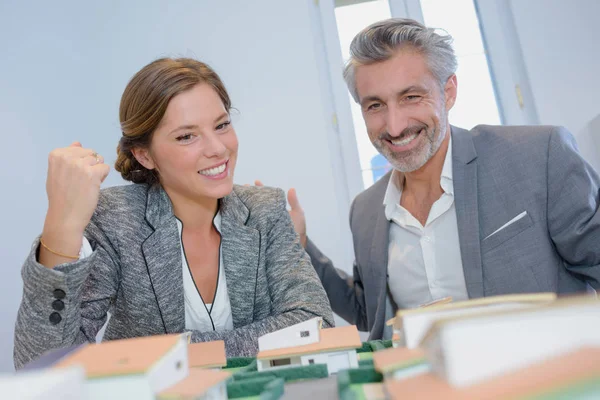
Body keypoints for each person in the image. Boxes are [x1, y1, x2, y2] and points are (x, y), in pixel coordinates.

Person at [281, 18, 600, 340]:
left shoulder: (537, 156)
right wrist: (301, 247)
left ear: (448, 92)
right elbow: (369, 311)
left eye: (411, 97)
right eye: (375, 105)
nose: (394, 126)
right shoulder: (364, 210)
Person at [14, 58, 334, 369]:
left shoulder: (265, 209)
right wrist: (61, 227)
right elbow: (43, 365)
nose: (218, 148)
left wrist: (160, 354)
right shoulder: (115, 220)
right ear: (144, 155)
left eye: (221, 125)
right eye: (186, 136)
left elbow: (316, 325)